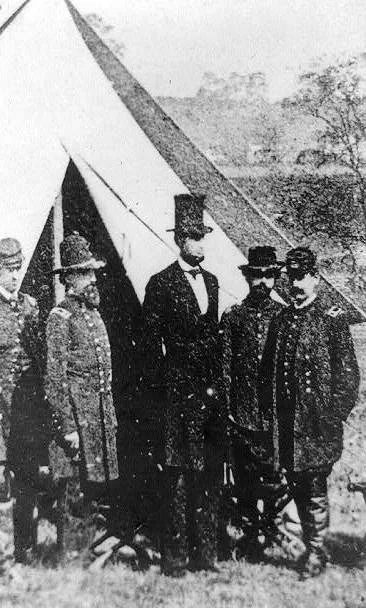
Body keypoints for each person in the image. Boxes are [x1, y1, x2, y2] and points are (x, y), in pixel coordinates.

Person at [261, 246, 360, 577]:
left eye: (302, 277)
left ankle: (316, 553)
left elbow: (348, 377)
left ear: (316, 278)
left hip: (317, 425)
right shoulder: (281, 320)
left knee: (314, 487)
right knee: (298, 484)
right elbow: (269, 374)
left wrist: (331, 415)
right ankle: (313, 545)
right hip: (288, 425)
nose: (296, 284)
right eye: (291, 278)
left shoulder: (331, 321)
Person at [142, 194, 224, 576]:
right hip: (176, 397)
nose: (201, 244)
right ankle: (174, 560)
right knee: (175, 478)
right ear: (180, 242)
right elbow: (148, 347)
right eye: (194, 237)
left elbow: (214, 338)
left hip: (205, 400)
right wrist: (166, 391)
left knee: (205, 474)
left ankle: (206, 557)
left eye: (204, 235)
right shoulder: (159, 284)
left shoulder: (212, 281)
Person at [45, 232, 119, 555]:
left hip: (97, 424)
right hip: (77, 427)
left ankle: (84, 560)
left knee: (89, 494)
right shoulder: (60, 317)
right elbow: (55, 378)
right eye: (85, 273)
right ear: (70, 278)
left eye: (92, 272)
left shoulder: (93, 313)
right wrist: (68, 427)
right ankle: (70, 572)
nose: (92, 279)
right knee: (73, 497)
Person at [220, 246, 284, 561]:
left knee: (273, 479)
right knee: (244, 481)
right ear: (247, 277)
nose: (262, 282)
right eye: (257, 275)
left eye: (269, 276)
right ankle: (250, 537)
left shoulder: (284, 318)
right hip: (242, 416)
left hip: (272, 416)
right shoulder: (233, 316)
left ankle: (271, 530)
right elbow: (225, 368)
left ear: (276, 278)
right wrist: (230, 412)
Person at [0, 237, 47, 564]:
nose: (14, 276)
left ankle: (25, 547)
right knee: (3, 484)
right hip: (1, 412)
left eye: (18, 269)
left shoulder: (32, 306)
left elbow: (41, 359)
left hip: (26, 412)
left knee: (28, 479)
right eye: (8, 270)